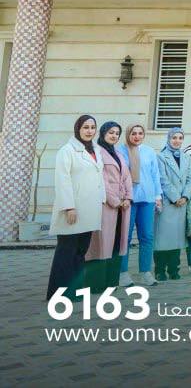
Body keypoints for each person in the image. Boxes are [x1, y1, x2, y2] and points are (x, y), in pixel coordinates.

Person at [48, 116, 105, 300]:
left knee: (81, 252)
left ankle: (76, 290)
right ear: (77, 129)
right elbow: (62, 180)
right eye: (85, 127)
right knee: (67, 251)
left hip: (89, 209)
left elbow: (99, 176)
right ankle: (59, 293)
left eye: (92, 127)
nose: (89, 131)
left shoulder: (96, 149)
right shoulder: (67, 150)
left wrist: (102, 199)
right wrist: (69, 207)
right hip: (73, 209)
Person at [84, 122, 131, 293]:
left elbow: (126, 178)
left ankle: (112, 282)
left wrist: (128, 197)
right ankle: (97, 284)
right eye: (111, 132)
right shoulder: (97, 152)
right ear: (103, 133)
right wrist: (115, 200)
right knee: (102, 244)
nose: (114, 136)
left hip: (122, 207)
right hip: (106, 205)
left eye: (117, 133)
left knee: (117, 243)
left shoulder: (118, 154)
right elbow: (101, 180)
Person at [118, 124, 162, 287]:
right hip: (128, 200)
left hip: (147, 198)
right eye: (134, 133)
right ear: (128, 134)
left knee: (147, 237)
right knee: (126, 237)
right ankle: (122, 273)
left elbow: (155, 174)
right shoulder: (120, 151)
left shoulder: (149, 151)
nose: (137, 136)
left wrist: (158, 196)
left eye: (140, 133)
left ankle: (145, 272)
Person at [151, 127, 191, 281]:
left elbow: (190, 179)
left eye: (180, 138)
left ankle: (174, 269)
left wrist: (185, 196)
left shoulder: (187, 157)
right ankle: (160, 270)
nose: (177, 141)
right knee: (163, 239)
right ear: (169, 139)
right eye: (174, 138)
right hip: (168, 202)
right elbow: (162, 180)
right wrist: (176, 197)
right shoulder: (161, 157)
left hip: (182, 203)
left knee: (177, 238)